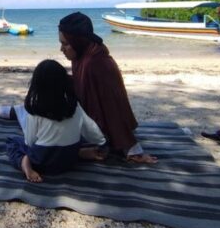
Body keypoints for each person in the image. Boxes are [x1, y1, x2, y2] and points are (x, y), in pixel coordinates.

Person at [0, 59, 107, 183]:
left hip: (42, 164)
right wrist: (101, 143)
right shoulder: (74, 106)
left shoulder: (35, 111)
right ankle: (80, 153)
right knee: (76, 139)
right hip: (69, 161)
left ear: (37, 85)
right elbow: (91, 128)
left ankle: (25, 166)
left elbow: (30, 141)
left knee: (12, 143)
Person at [58, 12, 157, 164]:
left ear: (77, 41)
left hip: (102, 131)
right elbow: (81, 86)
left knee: (50, 146)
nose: (61, 49)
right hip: (90, 119)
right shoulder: (82, 54)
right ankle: (10, 112)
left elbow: (113, 106)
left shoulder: (96, 64)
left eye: (65, 44)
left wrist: (133, 149)